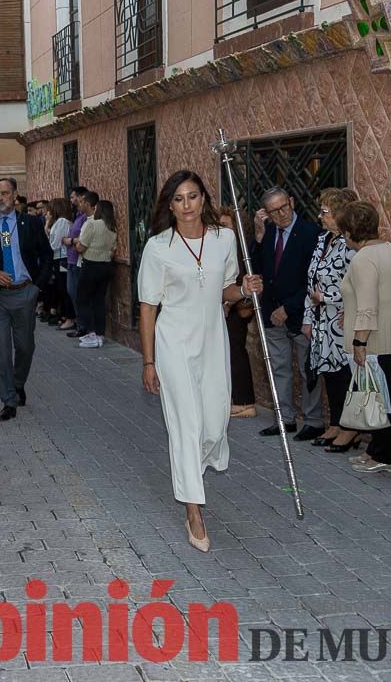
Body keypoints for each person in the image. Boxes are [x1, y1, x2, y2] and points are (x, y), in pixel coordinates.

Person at [138, 171, 263, 553]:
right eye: (179, 198)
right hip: (173, 341)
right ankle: (194, 509)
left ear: (204, 199)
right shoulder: (158, 247)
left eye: (193, 196)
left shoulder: (224, 239)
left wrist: (243, 288)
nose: (187, 204)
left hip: (212, 340)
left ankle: (194, 467)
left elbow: (223, 292)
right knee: (186, 426)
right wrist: (149, 362)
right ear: (169, 205)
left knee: (213, 422)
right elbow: (148, 306)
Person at [338, 201, 391, 474]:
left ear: (348, 231)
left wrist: (360, 342)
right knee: (387, 395)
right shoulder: (389, 248)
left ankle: (387, 455)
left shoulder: (362, 258)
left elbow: (368, 304)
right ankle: (378, 450)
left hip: (377, 340)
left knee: (379, 398)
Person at [0, 177, 53, 422]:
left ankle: (18, 383)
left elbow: (46, 255)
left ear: (15, 196)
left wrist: (37, 287)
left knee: (25, 346)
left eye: (4, 193)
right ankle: (8, 400)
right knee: (2, 351)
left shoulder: (30, 223)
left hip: (25, 293)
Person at [253, 187, 324, 441]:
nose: (281, 214)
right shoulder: (268, 231)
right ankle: (284, 418)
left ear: (292, 202)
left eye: (284, 207)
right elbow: (257, 269)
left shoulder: (311, 233)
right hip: (272, 313)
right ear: (266, 213)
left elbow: (313, 278)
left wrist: (289, 307)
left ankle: (314, 421)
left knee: (308, 369)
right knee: (279, 368)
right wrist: (259, 237)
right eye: (274, 211)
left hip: (300, 313)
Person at [301, 188, 359, 450]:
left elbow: (356, 286)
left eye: (325, 212)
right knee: (330, 375)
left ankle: (350, 428)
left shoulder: (352, 244)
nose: (320, 216)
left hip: (341, 320)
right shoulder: (323, 239)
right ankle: (335, 423)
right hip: (321, 320)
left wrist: (326, 298)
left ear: (340, 214)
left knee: (344, 374)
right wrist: (308, 318)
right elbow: (311, 280)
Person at [217, 207, 256, 418]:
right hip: (226, 307)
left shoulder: (241, 250)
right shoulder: (224, 248)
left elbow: (240, 279)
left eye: (226, 226)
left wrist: (231, 303)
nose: (222, 230)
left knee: (235, 351)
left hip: (235, 309)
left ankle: (245, 402)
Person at [73, 198, 117, 348]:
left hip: (91, 265)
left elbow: (81, 247)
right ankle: (99, 334)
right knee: (99, 301)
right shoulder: (112, 227)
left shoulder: (91, 224)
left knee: (83, 299)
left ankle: (91, 333)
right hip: (106, 266)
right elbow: (112, 250)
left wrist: (74, 242)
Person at [61, 187, 89, 332]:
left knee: (77, 294)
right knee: (72, 293)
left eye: (73, 197)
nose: (71, 200)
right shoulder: (77, 215)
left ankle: (83, 326)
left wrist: (70, 240)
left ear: (82, 197)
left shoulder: (85, 217)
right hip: (71, 260)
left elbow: (85, 238)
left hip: (77, 260)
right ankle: (80, 324)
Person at [44, 199, 71, 326]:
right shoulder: (60, 222)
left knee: (63, 287)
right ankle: (64, 314)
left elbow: (54, 244)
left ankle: (67, 315)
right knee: (60, 287)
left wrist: (47, 225)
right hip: (59, 257)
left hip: (62, 258)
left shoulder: (61, 222)